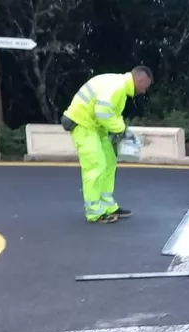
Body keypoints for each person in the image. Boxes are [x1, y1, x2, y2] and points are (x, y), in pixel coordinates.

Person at [60, 66, 154, 224]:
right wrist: (123, 130)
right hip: (83, 124)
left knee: (109, 162)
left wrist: (119, 130)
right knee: (96, 165)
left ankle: (107, 206)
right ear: (140, 80)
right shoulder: (117, 87)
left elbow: (110, 115)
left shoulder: (120, 87)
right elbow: (103, 113)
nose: (144, 91)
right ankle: (94, 211)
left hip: (96, 127)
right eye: (146, 86)